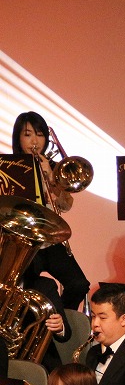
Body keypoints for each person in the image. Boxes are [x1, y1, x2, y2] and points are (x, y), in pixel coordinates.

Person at [11, 112, 91, 312]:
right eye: (28, 134)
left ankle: (62, 321)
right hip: (23, 241)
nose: (35, 141)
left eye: (40, 135)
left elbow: (65, 205)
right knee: (27, 287)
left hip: (49, 239)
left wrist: (50, 176)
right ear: (18, 138)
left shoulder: (54, 168)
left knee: (79, 284)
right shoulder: (10, 167)